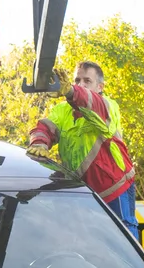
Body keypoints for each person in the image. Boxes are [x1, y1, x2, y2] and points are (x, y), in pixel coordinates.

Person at [26, 61, 138, 238]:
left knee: (123, 235)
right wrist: (39, 143)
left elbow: (90, 102)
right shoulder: (62, 110)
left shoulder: (108, 106)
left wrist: (71, 91)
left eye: (87, 80)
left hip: (114, 186)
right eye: (77, 80)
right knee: (84, 239)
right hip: (82, 190)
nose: (80, 84)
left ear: (100, 87)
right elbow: (45, 127)